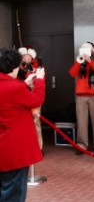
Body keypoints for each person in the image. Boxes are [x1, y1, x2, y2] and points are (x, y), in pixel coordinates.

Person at [0, 48, 45, 202]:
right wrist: (39, 81)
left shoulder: (16, 86)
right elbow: (36, 100)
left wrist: (25, 83)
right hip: (14, 151)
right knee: (13, 194)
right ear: (15, 66)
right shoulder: (16, 88)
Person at [69, 42, 94, 155]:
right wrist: (79, 62)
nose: (85, 50)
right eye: (84, 48)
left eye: (88, 49)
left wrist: (90, 61)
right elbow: (72, 73)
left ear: (93, 50)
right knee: (81, 121)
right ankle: (82, 145)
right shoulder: (79, 61)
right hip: (81, 95)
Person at [18, 46, 44, 151]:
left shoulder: (36, 68)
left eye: (28, 56)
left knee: (36, 122)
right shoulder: (18, 66)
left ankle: (38, 147)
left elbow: (39, 80)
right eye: (24, 56)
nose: (26, 58)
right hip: (21, 97)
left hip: (33, 97)